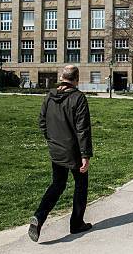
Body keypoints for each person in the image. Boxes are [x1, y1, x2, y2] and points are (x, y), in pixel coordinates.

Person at [28, 65, 93, 242]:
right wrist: (85, 155)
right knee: (81, 185)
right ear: (76, 78)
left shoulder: (50, 96)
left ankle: (39, 217)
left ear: (62, 77)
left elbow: (42, 122)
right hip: (74, 152)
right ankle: (76, 223)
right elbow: (83, 129)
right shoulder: (78, 98)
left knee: (57, 184)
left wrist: (52, 141)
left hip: (56, 149)